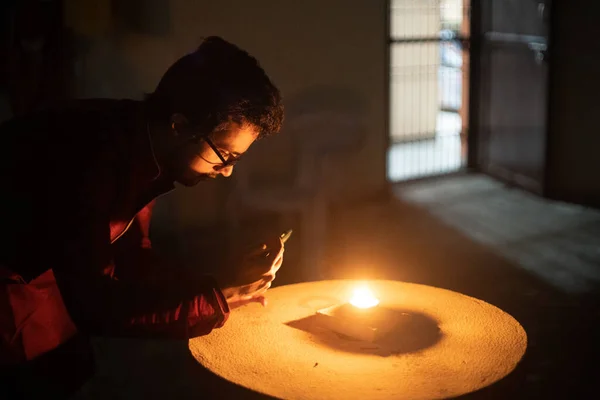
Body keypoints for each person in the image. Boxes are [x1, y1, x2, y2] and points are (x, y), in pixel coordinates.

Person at [0, 36, 285, 398]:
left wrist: (218, 284)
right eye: (224, 155)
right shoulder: (90, 160)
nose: (226, 172)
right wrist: (215, 301)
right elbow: (95, 303)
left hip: (56, 293)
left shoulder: (143, 141)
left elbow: (130, 254)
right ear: (179, 125)